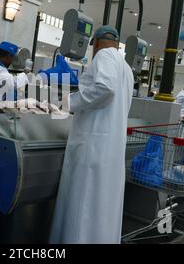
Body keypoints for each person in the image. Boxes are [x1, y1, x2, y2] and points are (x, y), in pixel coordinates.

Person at [49, 25, 134, 244]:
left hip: (93, 147)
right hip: (109, 148)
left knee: (83, 208)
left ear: (95, 43)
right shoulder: (125, 67)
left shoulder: (104, 56)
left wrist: (70, 102)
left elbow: (105, 88)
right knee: (102, 210)